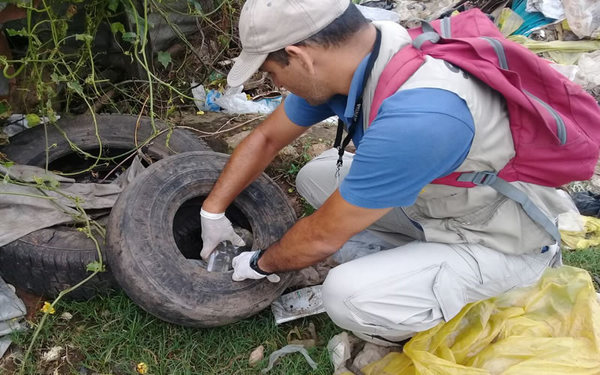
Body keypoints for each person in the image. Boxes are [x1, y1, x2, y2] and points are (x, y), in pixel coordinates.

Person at [199, 0, 573, 345]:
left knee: (346, 295)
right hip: (446, 203)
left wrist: (259, 263)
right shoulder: (367, 53)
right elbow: (265, 138)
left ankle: (453, 298)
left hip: (499, 239)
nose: (276, 85)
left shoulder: (420, 115)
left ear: (300, 56)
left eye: (271, 72)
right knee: (314, 176)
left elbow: (320, 239)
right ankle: (412, 261)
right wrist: (211, 212)